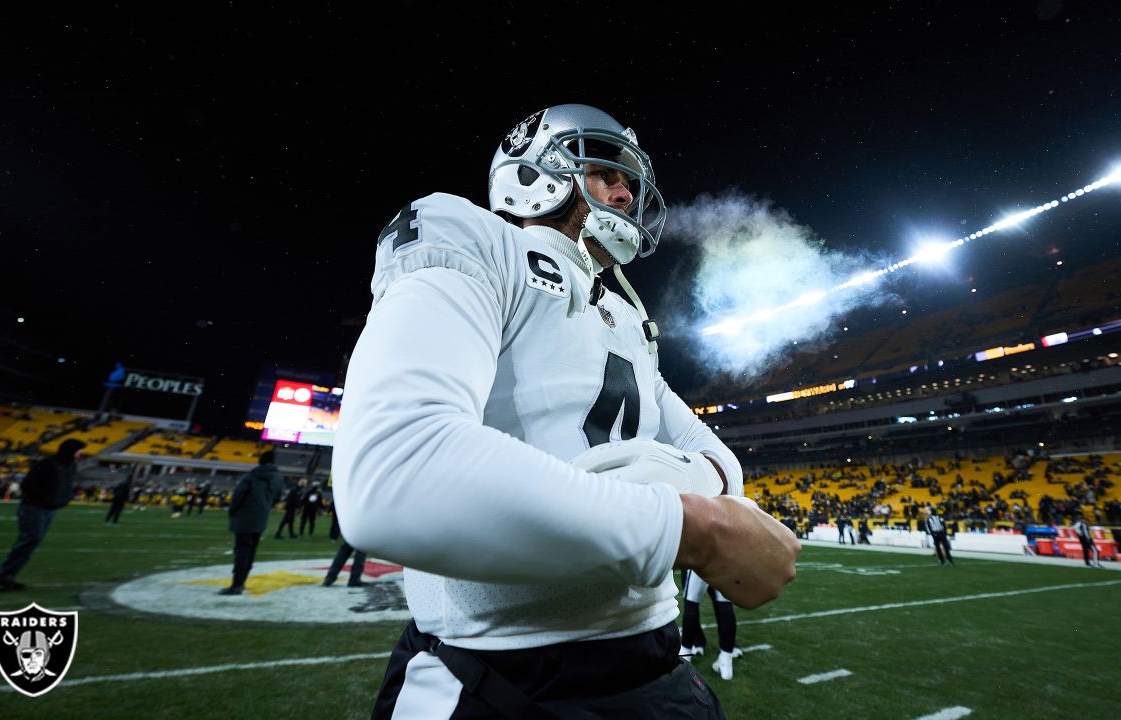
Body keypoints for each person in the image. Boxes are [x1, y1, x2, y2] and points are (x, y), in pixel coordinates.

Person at [333, 103, 801, 718]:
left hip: (659, 670)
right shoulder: (471, 237)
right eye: (606, 170)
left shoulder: (627, 316)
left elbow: (721, 465)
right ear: (535, 173)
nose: (626, 191)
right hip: (501, 672)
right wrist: (689, 525)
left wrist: (618, 489)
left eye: (630, 180)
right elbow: (395, 477)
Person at [0, 439, 87, 592]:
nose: (82, 453)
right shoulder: (47, 464)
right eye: (79, 450)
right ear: (70, 450)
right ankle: (2, 579)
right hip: (34, 508)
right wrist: (45, 497)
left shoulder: (69, 466)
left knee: (30, 543)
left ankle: (6, 578)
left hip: (49, 510)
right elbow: (27, 485)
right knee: (28, 542)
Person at [220, 450, 283, 595]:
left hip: (244, 518)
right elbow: (278, 497)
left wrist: (233, 511)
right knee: (251, 551)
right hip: (261, 518)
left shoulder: (252, 475)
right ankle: (241, 582)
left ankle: (236, 584)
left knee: (240, 551)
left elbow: (238, 496)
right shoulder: (278, 478)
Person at [679, 570, 742, 681]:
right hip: (723, 563)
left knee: (691, 603)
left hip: (701, 560)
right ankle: (726, 665)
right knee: (725, 606)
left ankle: (685, 657)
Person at [323, 512, 367, 587]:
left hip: (352, 520)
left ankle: (330, 577)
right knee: (361, 550)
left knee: (345, 550)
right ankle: (354, 579)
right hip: (362, 520)